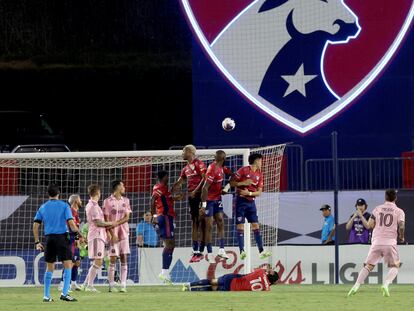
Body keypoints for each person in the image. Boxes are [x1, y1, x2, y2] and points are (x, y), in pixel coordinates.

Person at [348, 189, 405, 297]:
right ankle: (386, 284)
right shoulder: (399, 211)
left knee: (368, 266)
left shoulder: (377, 209)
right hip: (390, 242)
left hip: (377, 242)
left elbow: (369, 225)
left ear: (385, 197)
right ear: (395, 198)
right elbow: (401, 226)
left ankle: (356, 285)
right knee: (395, 266)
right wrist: (401, 236)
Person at [33, 184, 80, 302]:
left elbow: (35, 225)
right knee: (68, 264)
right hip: (62, 238)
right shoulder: (64, 205)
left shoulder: (43, 207)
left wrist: (37, 242)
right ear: (58, 193)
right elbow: (71, 223)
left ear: (48, 194)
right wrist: (79, 234)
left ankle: (46, 295)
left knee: (50, 267)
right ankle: (64, 294)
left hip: (49, 239)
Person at [230, 153, 270, 260]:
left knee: (256, 226)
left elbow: (259, 192)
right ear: (256, 160)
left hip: (251, 203)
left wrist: (249, 194)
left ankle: (261, 251)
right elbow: (232, 183)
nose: (262, 162)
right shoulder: (243, 170)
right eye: (261, 160)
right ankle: (242, 251)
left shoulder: (259, 174)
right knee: (240, 226)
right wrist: (243, 182)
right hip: (240, 202)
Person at [172, 144, 207, 263]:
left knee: (202, 222)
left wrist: (196, 191)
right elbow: (180, 181)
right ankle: (195, 250)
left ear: (190, 152)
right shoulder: (185, 168)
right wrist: (173, 189)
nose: (182, 153)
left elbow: (205, 179)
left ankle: (201, 251)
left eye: (183, 151)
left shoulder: (199, 164)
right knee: (194, 222)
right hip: (192, 197)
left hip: (201, 196)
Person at [81, 184, 115, 292]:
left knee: (99, 260)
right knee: (99, 261)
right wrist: (110, 223)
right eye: (100, 192)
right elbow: (98, 222)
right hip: (96, 236)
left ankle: (86, 284)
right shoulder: (93, 206)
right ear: (97, 193)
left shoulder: (93, 205)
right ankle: (89, 286)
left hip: (99, 236)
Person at [151, 171, 183, 284]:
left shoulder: (164, 188)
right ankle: (164, 274)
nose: (168, 178)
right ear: (164, 177)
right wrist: (153, 216)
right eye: (167, 176)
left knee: (170, 244)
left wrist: (175, 199)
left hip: (167, 217)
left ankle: (165, 273)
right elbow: (153, 199)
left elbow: (165, 199)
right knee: (169, 243)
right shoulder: (159, 187)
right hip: (164, 217)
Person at [200, 150, 232, 261]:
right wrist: (203, 206)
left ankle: (221, 250)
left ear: (223, 159)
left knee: (220, 221)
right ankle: (209, 253)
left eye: (218, 157)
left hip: (217, 198)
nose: (216, 158)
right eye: (216, 157)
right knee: (209, 226)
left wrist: (226, 188)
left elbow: (234, 177)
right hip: (208, 200)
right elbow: (204, 188)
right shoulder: (212, 169)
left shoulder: (223, 169)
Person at [103, 180, 132, 293]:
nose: (124, 187)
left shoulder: (126, 200)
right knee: (113, 258)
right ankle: (111, 285)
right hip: (112, 233)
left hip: (123, 232)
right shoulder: (107, 201)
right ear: (117, 187)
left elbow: (127, 217)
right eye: (122, 185)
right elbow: (106, 219)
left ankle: (123, 284)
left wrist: (116, 224)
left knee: (124, 256)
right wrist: (111, 233)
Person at [58, 194, 83, 292]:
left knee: (77, 262)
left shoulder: (75, 212)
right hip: (69, 239)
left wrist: (78, 238)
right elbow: (71, 227)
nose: (81, 201)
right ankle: (62, 284)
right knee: (70, 262)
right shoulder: (71, 211)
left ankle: (73, 283)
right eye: (80, 199)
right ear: (76, 201)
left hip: (74, 239)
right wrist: (78, 237)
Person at [182, 267, 279, 291]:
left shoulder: (261, 271)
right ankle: (189, 289)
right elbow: (268, 284)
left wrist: (267, 270)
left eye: (271, 271)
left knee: (211, 282)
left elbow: (258, 270)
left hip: (232, 279)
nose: (270, 270)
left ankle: (189, 284)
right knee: (211, 289)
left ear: (270, 274)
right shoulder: (267, 289)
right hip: (232, 288)